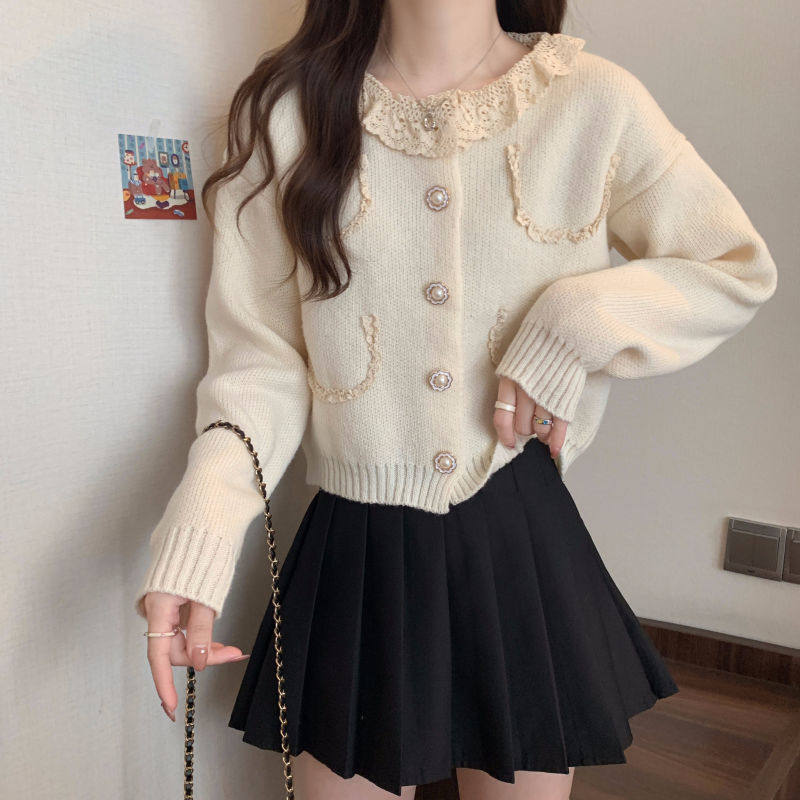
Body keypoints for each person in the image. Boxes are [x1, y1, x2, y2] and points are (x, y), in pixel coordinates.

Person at [133, 1, 778, 798]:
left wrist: (574, 321)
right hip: (355, 552)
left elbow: (730, 265)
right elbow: (258, 364)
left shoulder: (594, 100)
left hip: (520, 537)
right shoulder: (285, 116)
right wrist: (201, 524)